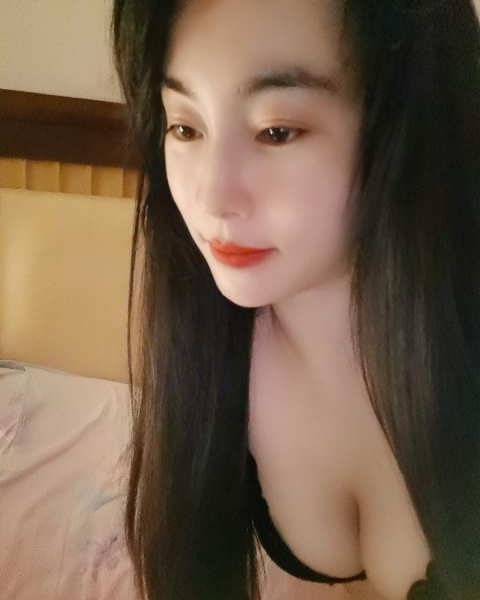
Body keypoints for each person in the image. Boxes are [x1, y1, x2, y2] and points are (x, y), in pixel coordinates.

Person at [111, 1, 480, 599]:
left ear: (410, 126)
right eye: (185, 127)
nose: (211, 196)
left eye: (276, 131)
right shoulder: (212, 347)